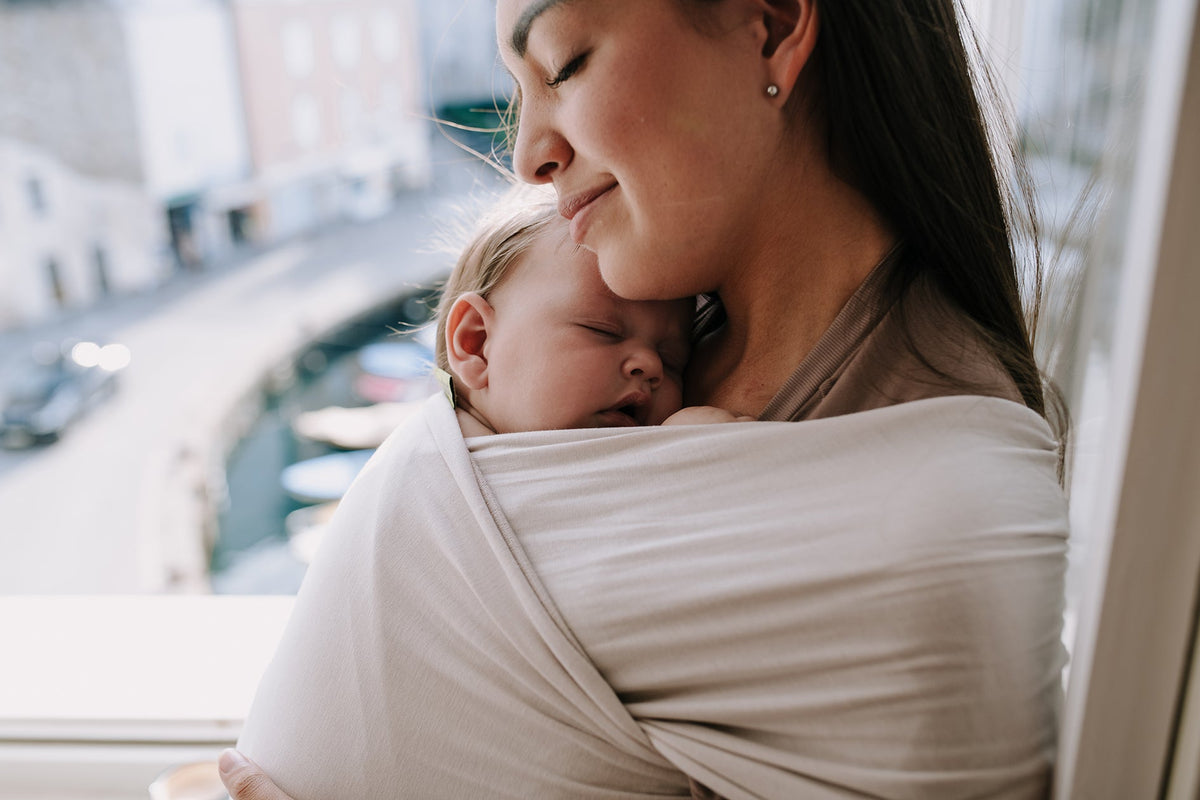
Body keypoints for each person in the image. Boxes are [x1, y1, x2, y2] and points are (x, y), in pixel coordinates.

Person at [219, 1, 1069, 798]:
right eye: (520, 91)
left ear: (772, 28)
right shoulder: (662, 345)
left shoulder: (939, 513)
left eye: (564, 65)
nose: (526, 157)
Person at [433, 189, 750, 436]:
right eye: (602, 330)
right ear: (477, 344)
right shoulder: (427, 470)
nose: (651, 365)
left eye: (672, 361)